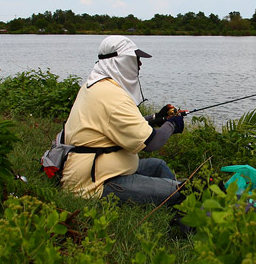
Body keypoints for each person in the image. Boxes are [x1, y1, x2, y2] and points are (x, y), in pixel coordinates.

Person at [59, 35, 186, 209]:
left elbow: (117, 124)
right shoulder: (112, 96)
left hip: (97, 171)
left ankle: (171, 207)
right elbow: (151, 142)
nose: (140, 64)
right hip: (95, 184)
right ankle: (178, 204)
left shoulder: (95, 86)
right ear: (122, 61)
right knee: (184, 190)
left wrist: (156, 118)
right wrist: (173, 124)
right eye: (136, 59)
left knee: (158, 166)